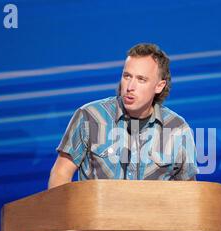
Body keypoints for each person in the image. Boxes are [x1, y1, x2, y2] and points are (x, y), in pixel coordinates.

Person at [48, 43, 198, 189]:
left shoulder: (177, 128)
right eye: (127, 76)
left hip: (151, 214)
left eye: (141, 79)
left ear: (159, 86)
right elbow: (61, 173)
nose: (130, 87)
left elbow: (189, 191)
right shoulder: (90, 116)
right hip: (98, 213)